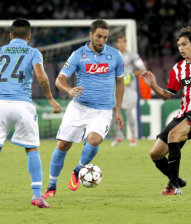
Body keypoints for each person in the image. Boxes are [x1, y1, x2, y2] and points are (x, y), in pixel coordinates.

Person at [42, 19, 125, 198]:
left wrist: (118, 110)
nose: (102, 40)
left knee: (94, 140)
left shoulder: (115, 55)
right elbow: (59, 80)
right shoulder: (78, 55)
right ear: (91, 35)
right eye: (98, 36)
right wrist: (70, 89)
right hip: (79, 108)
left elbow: (120, 82)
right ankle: (51, 185)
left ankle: (78, 170)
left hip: (103, 110)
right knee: (63, 145)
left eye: (105, 37)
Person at [141, 26, 191, 195]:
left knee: (173, 135)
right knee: (155, 154)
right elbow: (166, 95)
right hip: (183, 114)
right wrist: (153, 85)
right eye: (179, 45)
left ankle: (173, 186)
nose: (181, 48)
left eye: (184, 44)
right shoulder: (178, 68)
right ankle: (177, 180)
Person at [0, 18, 62, 208]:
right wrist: (50, 98)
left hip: (0, 103)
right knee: (32, 148)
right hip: (22, 105)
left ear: (10, 35)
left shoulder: (1, 51)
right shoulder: (33, 52)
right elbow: (41, 76)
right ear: (29, 36)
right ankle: (37, 195)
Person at [111, 35, 147, 147]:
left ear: (126, 43)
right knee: (113, 111)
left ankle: (133, 137)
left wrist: (131, 75)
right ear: (116, 44)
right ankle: (119, 136)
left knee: (128, 111)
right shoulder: (112, 55)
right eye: (119, 42)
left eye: (124, 42)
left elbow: (142, 68)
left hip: (128, 88)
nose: (122, 44)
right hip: (114, 87)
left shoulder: (132, 55)